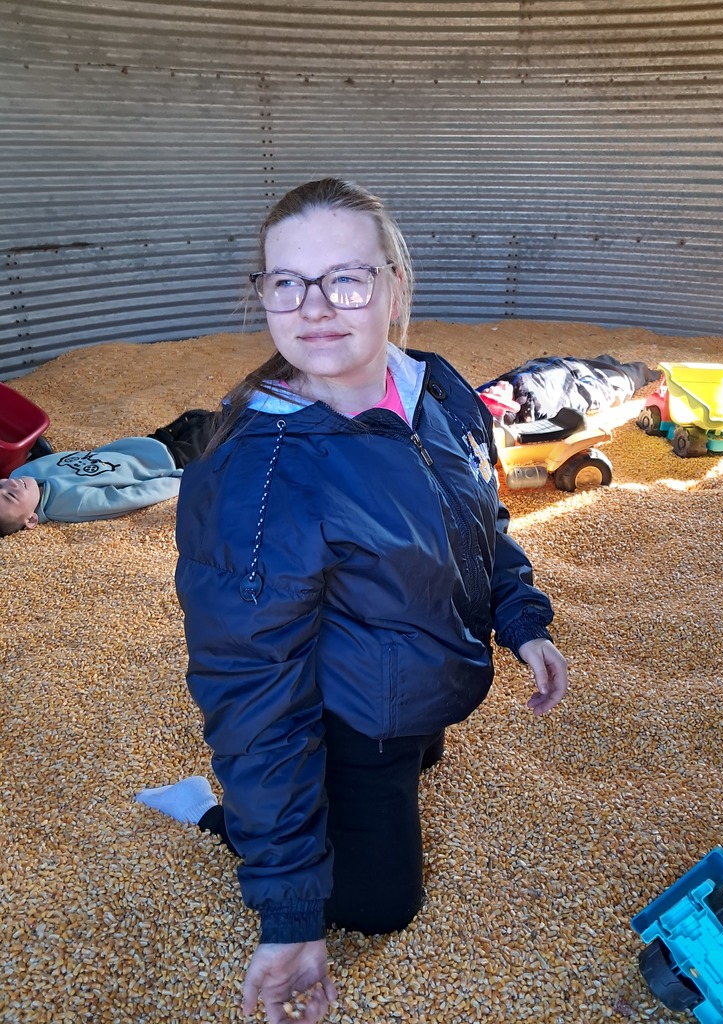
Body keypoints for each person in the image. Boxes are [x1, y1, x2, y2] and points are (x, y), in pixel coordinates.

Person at [139, 178, 569, 1024]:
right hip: (348, 711)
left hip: (415, 676)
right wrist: (291, 914)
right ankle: (213, 815)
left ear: (394, 284)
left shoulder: (437, 390)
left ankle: (395, 758)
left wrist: (520, 619)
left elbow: (478, 520)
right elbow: (257, 696)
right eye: (286, 282)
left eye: (347, 278)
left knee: (424, 754)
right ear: (262, 293)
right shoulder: (255, 475)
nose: (315, 308)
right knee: (382, 908)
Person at [0, 409, 215, 535]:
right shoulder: (69, 504)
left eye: (1, 483)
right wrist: (181, 480)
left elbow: (86, 456)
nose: (10, 484)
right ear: (31, 520)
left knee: (199, 416)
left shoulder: (23, 472)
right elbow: (127, 497)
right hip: (173, 461)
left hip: (150, 444)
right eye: (10, 495)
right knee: (226, 422)